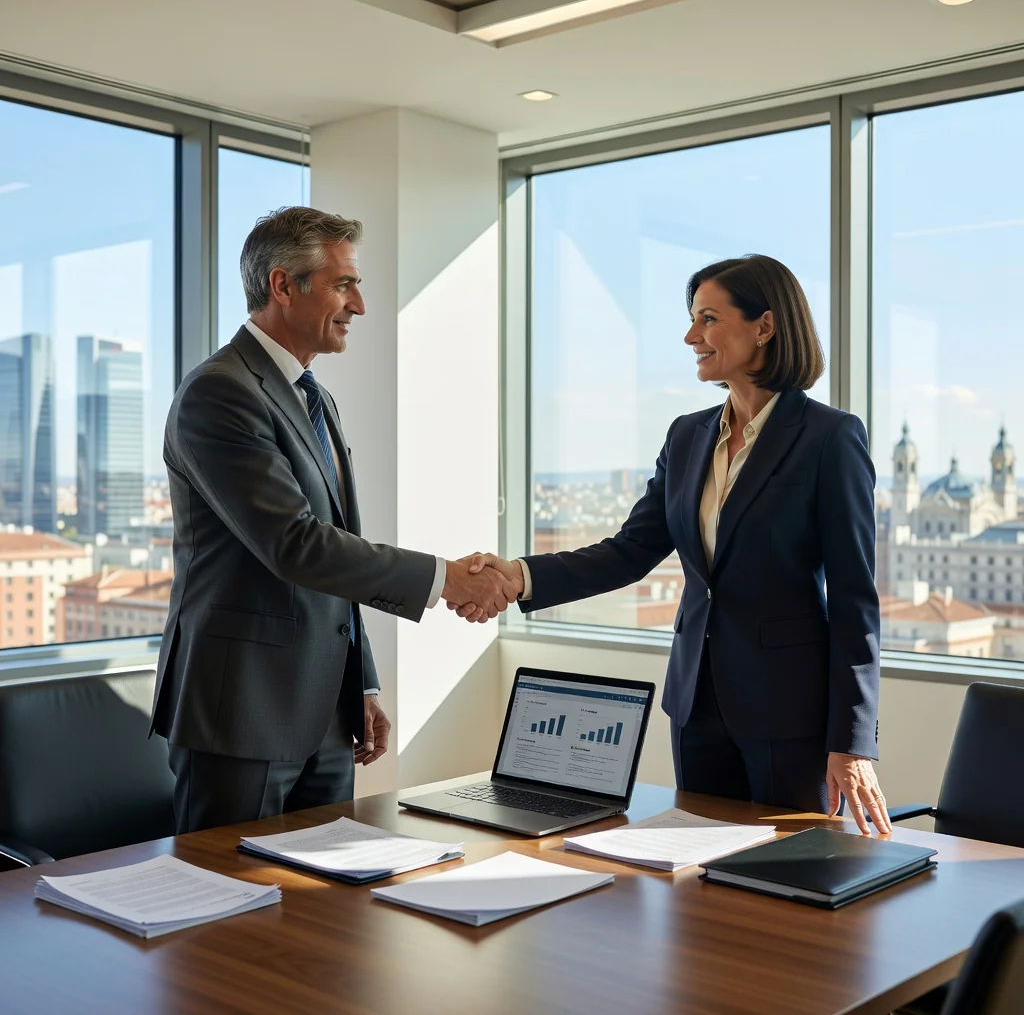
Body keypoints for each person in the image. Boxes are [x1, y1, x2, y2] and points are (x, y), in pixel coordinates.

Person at [455, 255, 892, 835]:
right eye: (693, 320)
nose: (692, 337)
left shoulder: (830, 437)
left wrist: (853, 741)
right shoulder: (687, 435)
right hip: (696, 703)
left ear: (764, 326)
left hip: (790, 714)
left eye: (708, 319)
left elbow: (856, 598)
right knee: (697, 876)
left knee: (788, 882)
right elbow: (630, 550)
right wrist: (518, 576)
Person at [151, 206, 516, 834]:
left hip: (322, 707)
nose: (360, 305)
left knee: (327, 911)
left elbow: (336, 548)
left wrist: (361, 682)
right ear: (283, 285)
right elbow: (294, 544)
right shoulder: (220, 392)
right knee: (230, 909)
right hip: (242, 709)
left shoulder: (312, 395)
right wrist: (446, 578)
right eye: (343, 284)